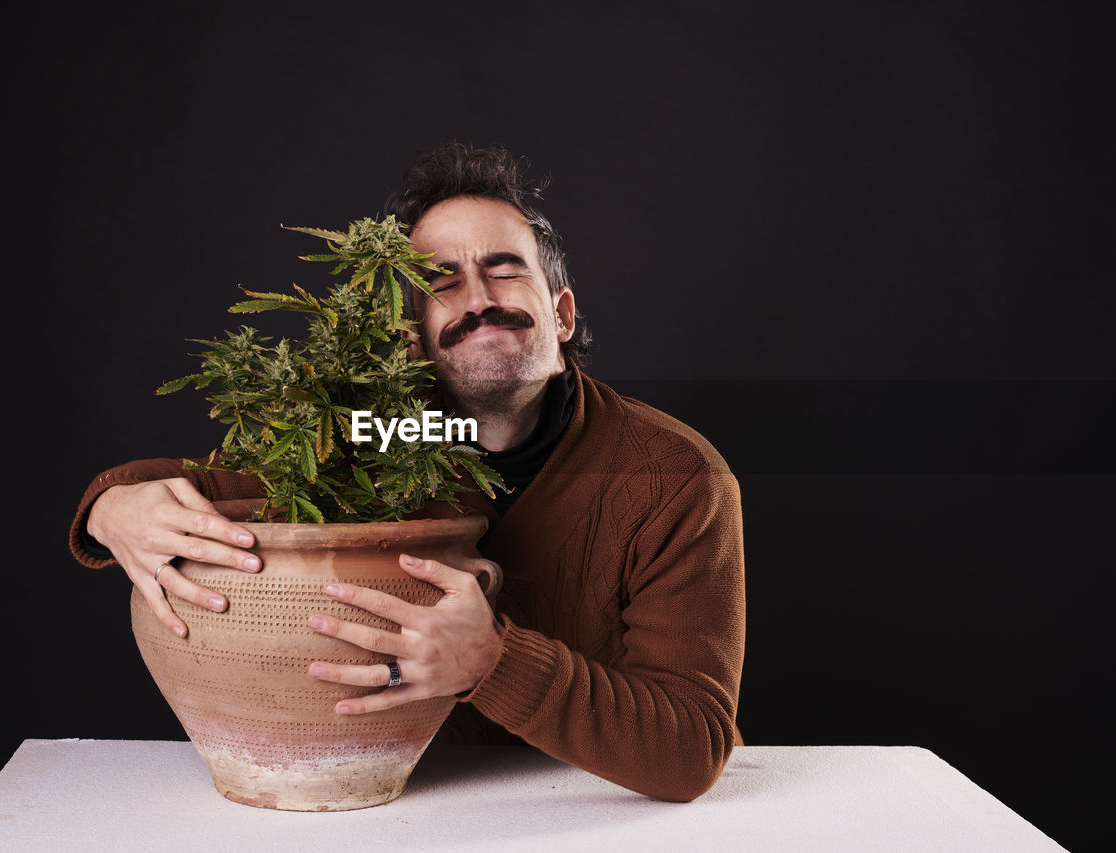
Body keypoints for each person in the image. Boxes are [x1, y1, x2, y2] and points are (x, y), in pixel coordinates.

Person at [69, 142, 745, 802]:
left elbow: (691, 748)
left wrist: (491, 662)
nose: (478, 298)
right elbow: (221, 482)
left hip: (589, 818)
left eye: (505, 268)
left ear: (563, 314)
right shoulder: (373, 434)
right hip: (397, 811)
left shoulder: (675, 479)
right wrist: (114, 504)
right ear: (411, 337)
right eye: (441, 280)